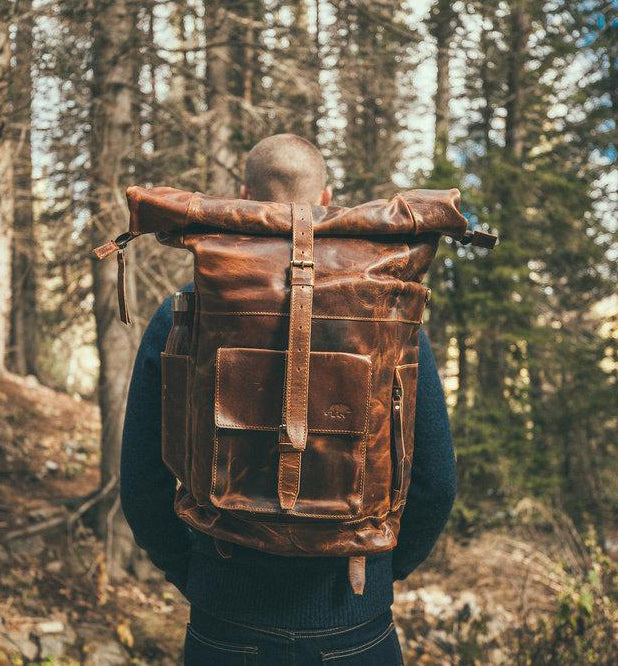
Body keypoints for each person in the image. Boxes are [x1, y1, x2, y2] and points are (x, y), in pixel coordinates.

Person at [120, 134, 456, 665]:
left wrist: (203, 579)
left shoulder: (182, 313)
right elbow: (436, 482)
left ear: (244, 199)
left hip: (223, 625)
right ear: (326, 202)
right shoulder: (388, 319)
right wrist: (377, 576)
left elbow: (141, 483)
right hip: (356, 621)